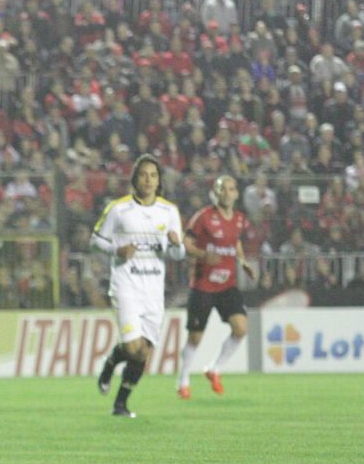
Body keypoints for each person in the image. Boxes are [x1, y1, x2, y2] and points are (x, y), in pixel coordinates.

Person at [92, 155, 185, 418]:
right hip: (126, 286)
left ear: (159, 181)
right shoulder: (118, 209)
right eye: (143, 174)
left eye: (153, 175)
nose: (148, 179)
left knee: (143, 352)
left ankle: (120, 403)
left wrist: (177, 245)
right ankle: (111, 364)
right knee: (132, 347)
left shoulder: (169, 212)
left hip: (154, 291)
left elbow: (178, 255)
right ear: (135, 178)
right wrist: (116, 249)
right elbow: (94, 241)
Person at [176, 175, 255, 398]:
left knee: (241, 328)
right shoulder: (203, 217)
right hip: (203, 285)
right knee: (195, 337)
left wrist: (242, 261)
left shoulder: (239, 219)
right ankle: (182, 380)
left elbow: (235, 241)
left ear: (236, 194)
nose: (227, 193)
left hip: (227, 285)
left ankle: (214, 368)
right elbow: (186, 242)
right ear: (216, 192)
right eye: (223, 189)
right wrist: (202, 254)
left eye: (231, 189)